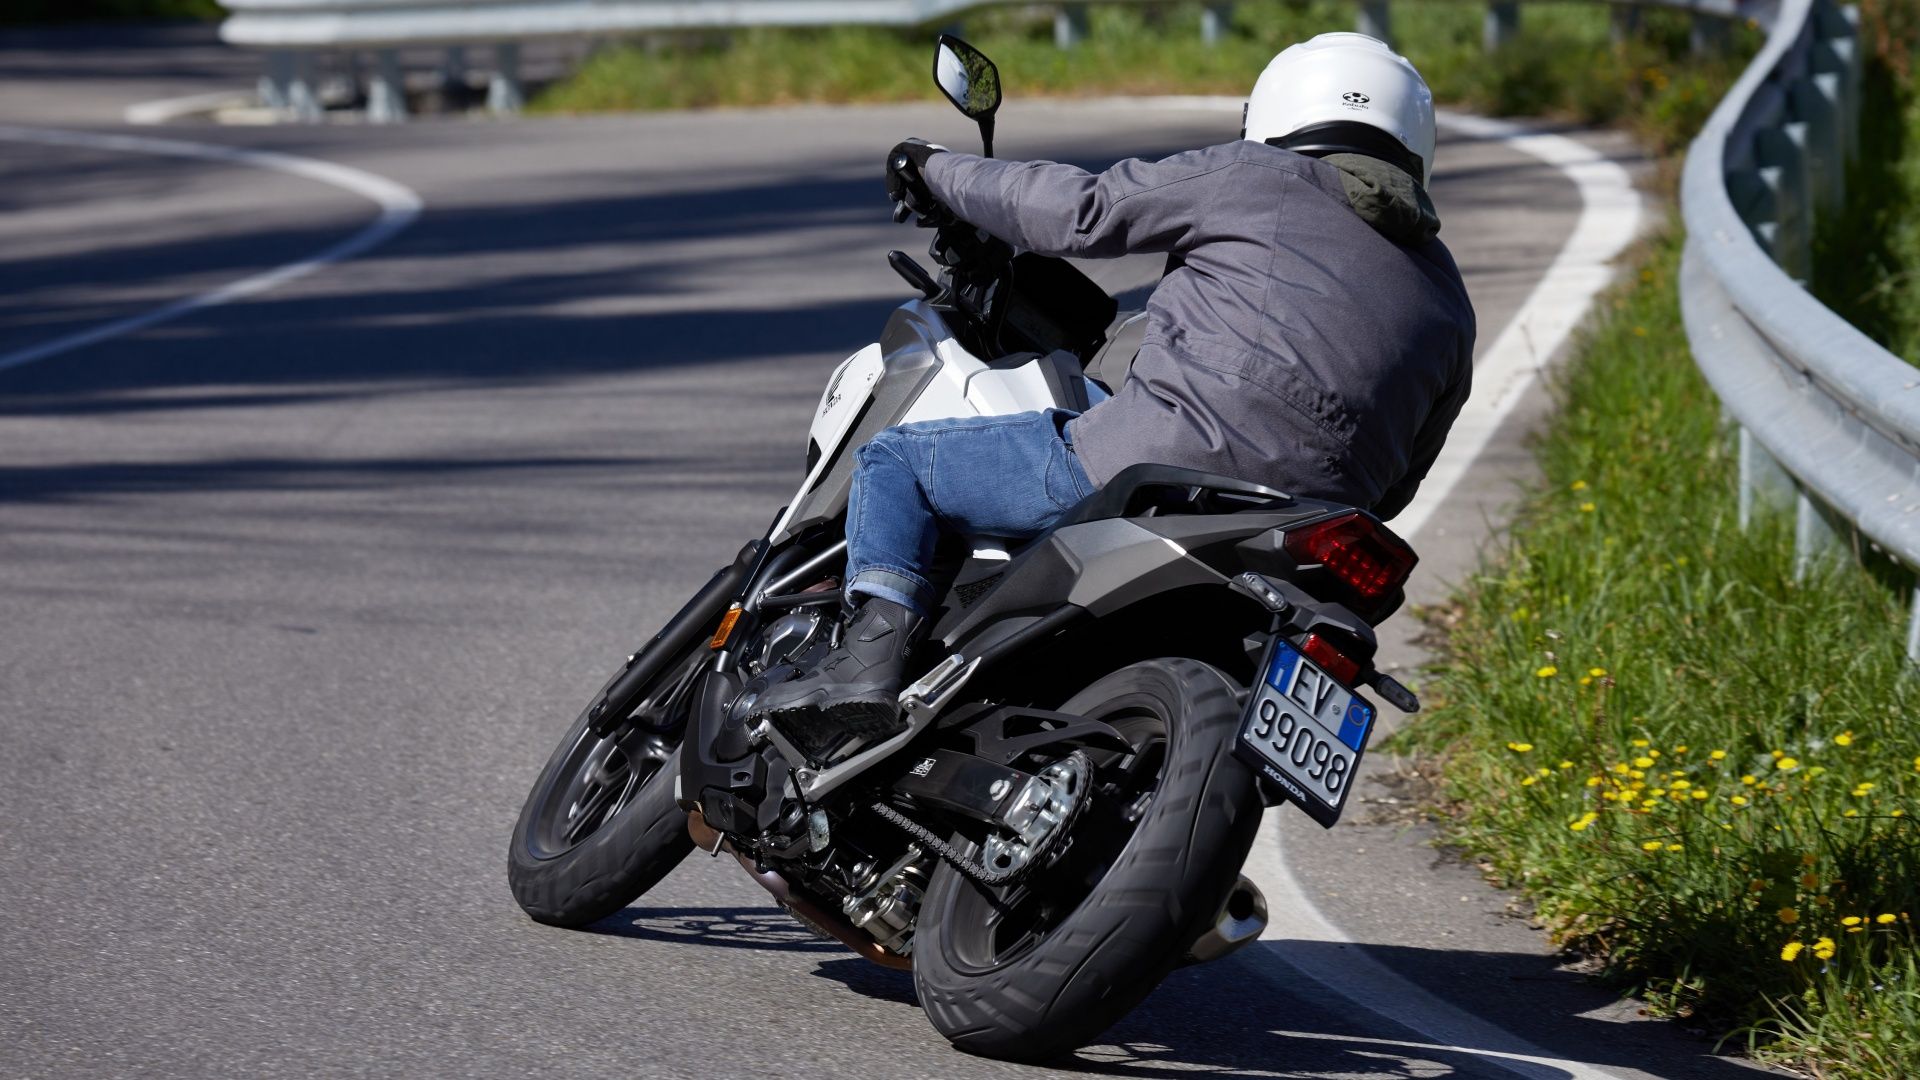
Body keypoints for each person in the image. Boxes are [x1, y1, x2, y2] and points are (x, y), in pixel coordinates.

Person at [747, 32, 1476, 761]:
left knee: (896, 464)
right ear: (1416, 146)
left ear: (1275, 112)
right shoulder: (1449, 301)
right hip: (1309, 542)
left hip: (1157, 464)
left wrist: (935, 168)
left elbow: (1082, 211)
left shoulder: (1256, 177)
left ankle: (864, 661)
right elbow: (1400, 480)